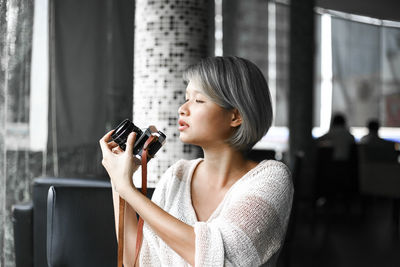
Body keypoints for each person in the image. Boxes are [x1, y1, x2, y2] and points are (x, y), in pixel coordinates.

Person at [99, 56, 293, 267]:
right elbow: (134, 260)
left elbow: (218, 260)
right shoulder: (177, 176)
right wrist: (118, 180)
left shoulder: (272, 179)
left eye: (198, 100)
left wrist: (127, 189)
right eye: (186, 97)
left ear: (235, 116)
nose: (183, 108)